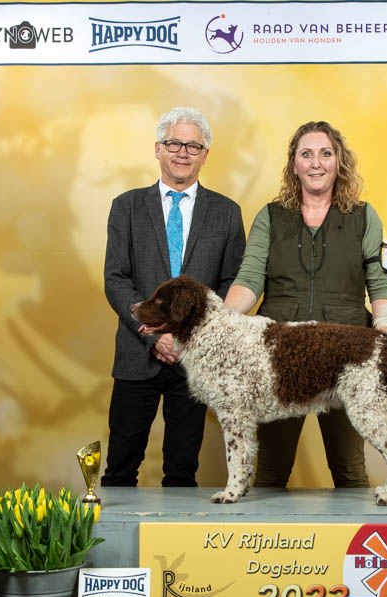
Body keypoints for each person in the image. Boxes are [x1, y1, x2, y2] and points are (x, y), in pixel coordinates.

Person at [224, 120, 387, 488]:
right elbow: (250, 279)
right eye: (306, 154)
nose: (316, 163)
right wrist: (219, 325)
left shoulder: (365, 216)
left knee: (349, 469)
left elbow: (381, 282)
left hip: (347, 357)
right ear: (294, 164)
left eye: (325, 153)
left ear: (339, 162)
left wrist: (384, 331)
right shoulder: (270, 216)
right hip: (280, 359)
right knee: (271, 471)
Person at [101, 106, 245, 488]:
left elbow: (233, 282)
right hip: (136, 356)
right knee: (120, 468)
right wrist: (155, 336)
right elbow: (116, 279)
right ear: (158, 149)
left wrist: (189, 338)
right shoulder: (126, 207)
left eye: (193, 146)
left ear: (205, 155)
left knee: (182, 472)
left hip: (195, 362)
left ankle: (177, 531)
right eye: (174, 143)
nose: (183, 152)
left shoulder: (227, 213)